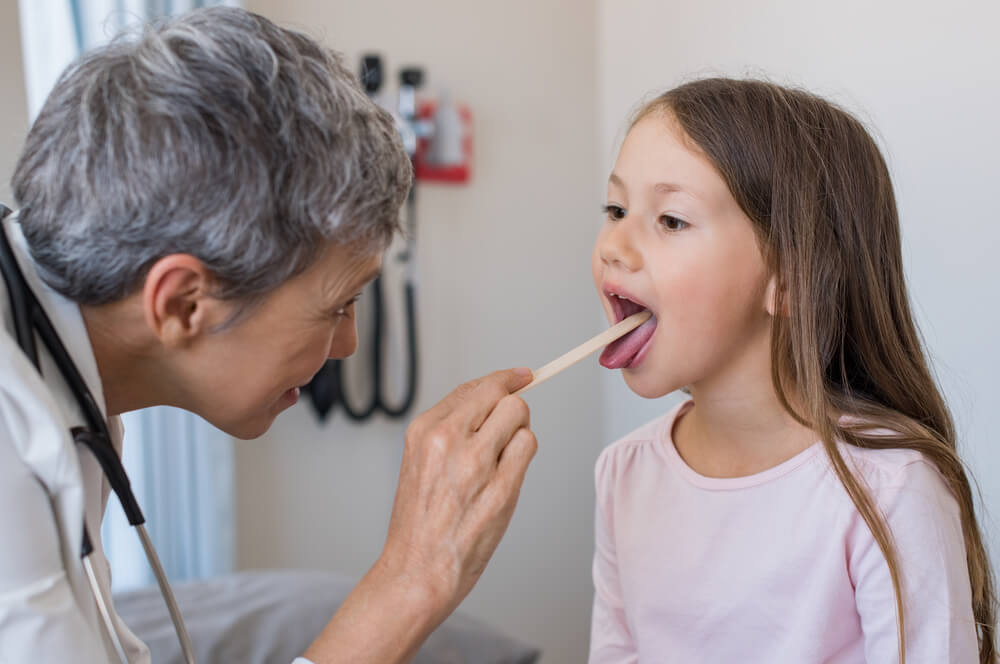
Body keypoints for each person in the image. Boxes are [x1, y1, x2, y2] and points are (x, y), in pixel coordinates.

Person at [0, 7, 537, 664]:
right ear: (183, 303)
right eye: (339, 306)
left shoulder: (62, 378)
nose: (349, 346)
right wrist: (412, 582)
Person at [588, 77, 997, 663]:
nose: (613, 245)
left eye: (671, 220)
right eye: (616, 209)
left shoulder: (889, 491)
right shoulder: (623, 474)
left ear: (793, 277)